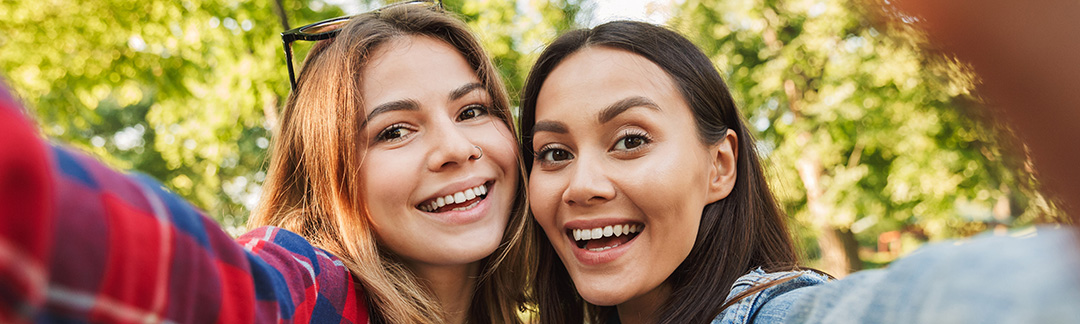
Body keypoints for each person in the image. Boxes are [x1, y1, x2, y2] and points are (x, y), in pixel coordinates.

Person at [0, 2, 531, 324]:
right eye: (394, 131)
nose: (456, 148)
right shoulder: (314, 289)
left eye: (472, 111)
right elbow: (194, 284)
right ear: (326, 175)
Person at [519, 20, 1080, 324]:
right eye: (555, 153)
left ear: (719, 167)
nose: (582, 185)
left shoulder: (774, 313)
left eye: (631, 141)